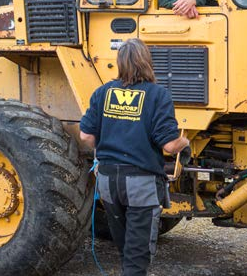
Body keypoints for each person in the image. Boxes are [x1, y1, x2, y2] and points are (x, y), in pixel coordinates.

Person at [79, 38, 190, 276]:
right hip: (141, 184)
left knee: (125, 249)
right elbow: (170, 146)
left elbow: (86, 136)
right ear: (147, 62)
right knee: (136, 258)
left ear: (120, 63)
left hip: (108, 181)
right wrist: (185, 141)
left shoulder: (103, 92)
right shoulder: (158, 95)